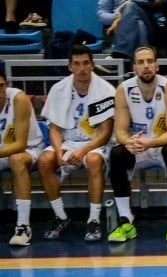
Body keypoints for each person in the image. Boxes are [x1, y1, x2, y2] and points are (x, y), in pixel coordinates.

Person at [108, 45, 167, 243]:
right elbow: (119, 130)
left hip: (165, 142)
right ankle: (125, 220)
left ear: (157, 65)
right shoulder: (123, 90)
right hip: (140, 144)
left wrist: (150, 142)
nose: (146, 66)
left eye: (150, 61)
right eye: (141, 62)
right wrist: (130, 142)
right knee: (117, 154)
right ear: (134, 67)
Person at [37, 44, 116, 243]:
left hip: (95, 143)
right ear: (69, 66)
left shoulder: (106, 90)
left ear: (92, 65)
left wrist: (83, 150)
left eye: (85, 63)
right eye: (77, 64)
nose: (81, 69)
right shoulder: (59, 88)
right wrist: (56, 150)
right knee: (45, 160)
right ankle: (60, 217)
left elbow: (106, 133)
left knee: (93, 161)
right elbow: (54, 128)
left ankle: (94, 219)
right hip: (68, 141)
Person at [1, 67, 46, 247]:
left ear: (7, 85)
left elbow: (20, 144)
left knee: (17, 159)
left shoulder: (17, 99)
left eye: (1, 86)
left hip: (30, 149)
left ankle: (23, 226)